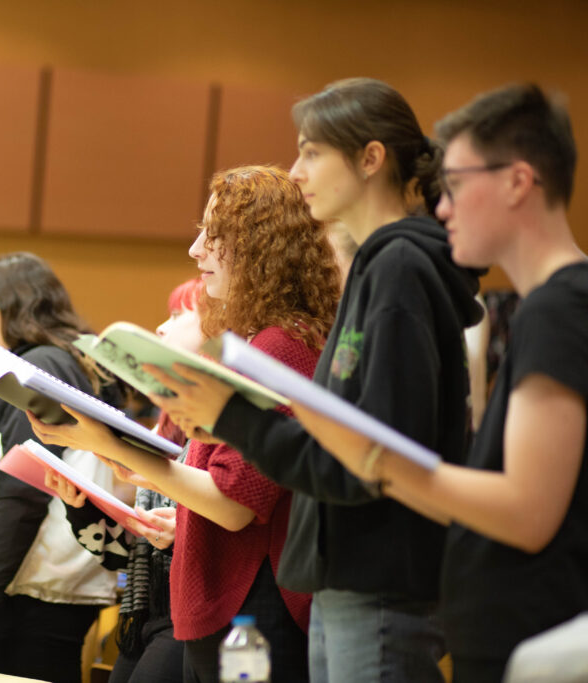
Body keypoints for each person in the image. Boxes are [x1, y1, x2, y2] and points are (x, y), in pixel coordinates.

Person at [145, 79, 484, 683]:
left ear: (370, 159)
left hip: (375, 572)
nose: (297, 172)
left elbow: (373, 457)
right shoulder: (380, 267)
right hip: (343, 572)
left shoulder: (400, 268)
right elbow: (350, 445)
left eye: (311, 152)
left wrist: (230, 417)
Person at [289, 83, 586, 683]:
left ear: (516, 180)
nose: (442, 206)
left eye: (455, 183)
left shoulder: (559, 309)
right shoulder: (546, 307)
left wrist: (370, 456)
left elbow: (527, 512)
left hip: (527, 636)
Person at [31, 165, 341, 683]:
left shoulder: (281, 347)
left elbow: (236, 504)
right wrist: (141, 470)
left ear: (260, 247)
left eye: (212, 235)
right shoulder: (259, 342)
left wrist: (108, 442)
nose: (196, 250)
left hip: (253, 608)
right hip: (234, 600)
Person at [0, 252, 118, 682]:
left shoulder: (38, 366)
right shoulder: (66, 356)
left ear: (13, 308)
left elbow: (23, 487)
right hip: (54, 585)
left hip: (39, 587)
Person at [44, 277, 205, 683]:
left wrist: (183, 528)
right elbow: (126, 554)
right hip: (145, 613)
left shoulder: (216, 437)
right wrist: (80, 507)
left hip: (189, 618)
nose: (161, 329)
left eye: (177, 314)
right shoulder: (167, 433)